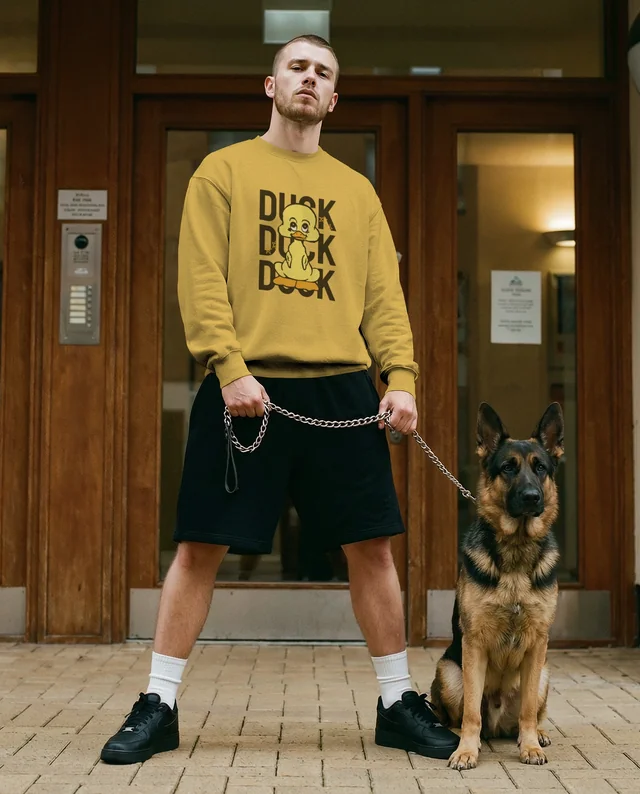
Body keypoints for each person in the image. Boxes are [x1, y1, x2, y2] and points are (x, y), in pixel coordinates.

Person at [101, 33, 460, 765]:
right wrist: (229, 368)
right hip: (245, 388)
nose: (309, 79)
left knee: (371, 547)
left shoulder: (356, 192)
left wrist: (401, 378)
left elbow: (383, 297)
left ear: (334, 99)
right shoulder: (223, 171)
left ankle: (397, 703)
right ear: (271, 85)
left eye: (322, 72)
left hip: (340, 389)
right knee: (200, 545)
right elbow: (201, 278)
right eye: (297, 67)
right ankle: (158, 704)